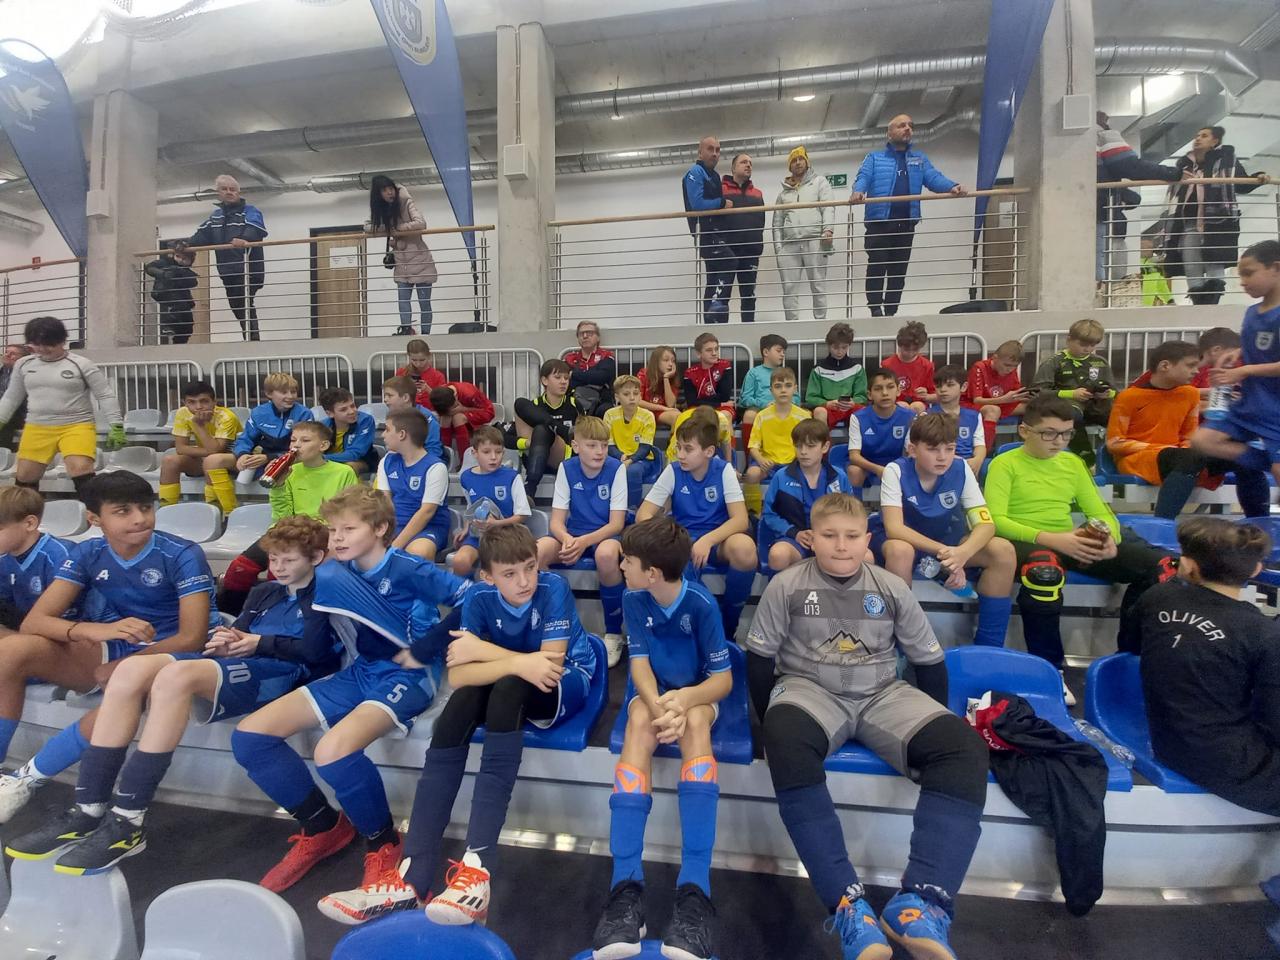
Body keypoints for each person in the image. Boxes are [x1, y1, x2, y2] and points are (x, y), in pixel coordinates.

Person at [5, 516, 341, 873]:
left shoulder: (325, 593)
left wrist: (260, 643)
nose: (278, 567)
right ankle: (89, 807)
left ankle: (129, 818)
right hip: (242, 664)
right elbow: (239, 630)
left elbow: (318, 653)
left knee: (174, 676)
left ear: (316, 558)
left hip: (285, 673)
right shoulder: (264, 592)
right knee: (130, 670)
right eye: (273, 559)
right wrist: (225, 641)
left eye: (289, 560)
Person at [747, 492, 989, 960]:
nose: (841, 545)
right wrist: (766, 723)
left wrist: (927, 729)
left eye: (852, 536)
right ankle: (847, 904)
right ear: (810, 538)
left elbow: (928, 663)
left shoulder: (891, 587)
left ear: (867, 540)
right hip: (809, 690)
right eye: (829, 536)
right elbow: (759, 660)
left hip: (882, 692)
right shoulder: (787, 585)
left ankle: (920, 903)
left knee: (962, 747)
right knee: (783, 736)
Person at [318, 525, 599, 926]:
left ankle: (478, 868)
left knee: (508, 690)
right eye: (510, 573)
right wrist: (517, 661)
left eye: (530, 568)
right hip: (512, 675)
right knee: (461, 704)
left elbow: (549, 666)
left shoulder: (553, 588)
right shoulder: (480, 597)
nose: (524, 581)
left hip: (566, 679)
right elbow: (462, 677)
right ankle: (412, 878)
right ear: (487, 576)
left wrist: (482, 651)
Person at [231, 486, 469, 895]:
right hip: (361, 671)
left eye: (348, 529)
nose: (337, 538)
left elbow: (476, 599)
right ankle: (322, 826)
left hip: (408, 677)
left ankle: (383, 842)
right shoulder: (336, 571)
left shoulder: (407, 567)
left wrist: (428, 646)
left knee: (332, 751)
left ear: (380, 528)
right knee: (250, 737)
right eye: (333, 529)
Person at [0, 471, 218, 824]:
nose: (139, 518)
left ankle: (25, 780)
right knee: (12, 651)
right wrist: (98, 630)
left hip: (181, 652)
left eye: (145, 507)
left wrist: (127, 664)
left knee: (123, 686)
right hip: (123, 644)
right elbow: (35, 622)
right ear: (94, 519)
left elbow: (192, 636)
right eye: (123, 511)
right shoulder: (88, 552)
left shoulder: (182, 553)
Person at [591, 517, 733, 960]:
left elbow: (723, 680)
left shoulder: (701, 604)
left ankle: (695, 892)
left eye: (627, 561)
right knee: (638, 723)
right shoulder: (633, 598)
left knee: (694, 725)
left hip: (698, 695)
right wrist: (658, 708)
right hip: (654, 696)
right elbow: (639, 666)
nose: (620, 565)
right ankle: (625, 889)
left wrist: (684, 701)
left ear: (652, 572)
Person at [985, 395, 1174, 701]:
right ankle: (1049, 670)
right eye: (1049, 433)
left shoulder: (1072, 463)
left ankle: (1128, 659)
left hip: (1070, 541)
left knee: (1164, 567)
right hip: (1026, 542)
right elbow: (997, 521)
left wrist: (1108, 537)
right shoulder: (1004, 464)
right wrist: (1054, 538)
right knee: (1044, 573)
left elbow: (1101, 513)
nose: (1059, 441)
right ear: (1024, 431)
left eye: (1066, 434)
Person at [1120, 517, 1280, 815]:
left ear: (1187, 565)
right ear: (1256, 570)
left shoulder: (1157, 597)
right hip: (1223, 760)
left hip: (1168, 740)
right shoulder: (1263, 632)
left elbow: (1129, 645)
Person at [871, 413, 1015, 645]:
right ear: (912, 450)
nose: (942, 457)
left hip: (945, 538)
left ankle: (990, 646)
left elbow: (986, 524)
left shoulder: (961, 467)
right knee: (900, 550)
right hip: (906, 540)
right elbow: (895, 528)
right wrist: (948, 554)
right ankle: (899, 644)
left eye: (949, 449)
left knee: (1003, 550)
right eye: (932, 449)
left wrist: (963, 553)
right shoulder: (895, 470)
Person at [1108, 340, 1269, 520]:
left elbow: (1188, 436)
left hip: (1181, 456)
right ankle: (1163, 523)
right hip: (1137, 459)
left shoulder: (1189, 394)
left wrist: (1186, 450)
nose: (1196, 371)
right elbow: (1115, 443)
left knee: (1246, 457)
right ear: (1165, 366)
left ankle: (1260, 522)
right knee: (1189, 457)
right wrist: (1162, 449)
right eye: (1190, 366)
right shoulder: (1128, 397)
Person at [219, 421, 358, 615]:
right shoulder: (287, 471)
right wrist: (279, 486)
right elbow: (281, 515)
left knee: (277, 571)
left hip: (322, 533)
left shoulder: (343, 472)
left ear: (323, 445)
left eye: (305, 440)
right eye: (293, 440)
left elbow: (346, 513)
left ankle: (276, 616)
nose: (296, 445)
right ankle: (231, 619)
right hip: (287, 530)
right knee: (239, 569)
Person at [639, 416, 757, 639]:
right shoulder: (673, 470)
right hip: (683, 541)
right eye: (678, 448)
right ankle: (698, 624)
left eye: (688, 449)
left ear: (709, 451)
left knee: (745, 548)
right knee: (674, 555)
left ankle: (728, 625)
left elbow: (741, 520)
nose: (680, 455)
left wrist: (707, 540)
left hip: (717, 541)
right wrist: (671, 537)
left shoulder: (724, 470)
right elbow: (643, 515)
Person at [853, 114, 965, 317]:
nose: (907, 129)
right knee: (877, 264)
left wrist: (952, 186)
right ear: (889, 133)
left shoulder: (919, 159)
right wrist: (858, 191)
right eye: (901, 125)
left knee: (898, 270)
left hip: (905, 224)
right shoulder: (874, 158)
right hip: (879, 223)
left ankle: (891, 311)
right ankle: (875, 309)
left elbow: (933, 177)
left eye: (910, 126)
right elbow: (863, 177)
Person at [536, 415, 627, 667]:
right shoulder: (567, 468)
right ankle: (551, 625)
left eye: (604, 445)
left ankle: (613, 632)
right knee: (538, 551)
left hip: (605, 535)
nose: (600, 451)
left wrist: (583, 542)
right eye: (592, 445)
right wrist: (567, 539)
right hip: (574, 533)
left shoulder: (616, 468)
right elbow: (556, 522)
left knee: (606, 555)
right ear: (576, 446)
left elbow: (616, 524)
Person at [0, 316, 125, 497]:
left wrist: (117, 425)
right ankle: (26, 514)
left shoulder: (81, 364)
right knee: (25, 477)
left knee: (80, 469)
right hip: (37, 426)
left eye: (48, 344)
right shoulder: (23, 364)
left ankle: (94, 511)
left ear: (62, 341)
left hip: (76, 425)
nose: (42, 349)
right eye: (36, 344)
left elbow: (105, 395)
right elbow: (11, 397)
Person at [1192, 240, 1280, 487]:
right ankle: (1268, 462)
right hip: (1250, 405)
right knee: (1202, 441)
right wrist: (1237, 352)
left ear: (1276, 268)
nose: (1242, 282)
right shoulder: (1252, 312)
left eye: (1248, 273)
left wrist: (1245, 370)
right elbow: (1264, 344)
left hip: (1276, 411)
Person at [1158, 125, 1271, 305]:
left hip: (1216, 220)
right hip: (1189, 221)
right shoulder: (1184, 164)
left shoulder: (1225, 159)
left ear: (1215, 141)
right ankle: (1199, 303)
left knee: (1214, 260)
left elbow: (1240, 184)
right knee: (1191, 262)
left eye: (1204, 136)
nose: (1198, 138)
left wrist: (1259, 177)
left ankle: (1213, 303)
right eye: (1197, 135)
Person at [1095, 111, 1180, 288]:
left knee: (1098, 280)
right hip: (1103, 219)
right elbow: (1130, 165)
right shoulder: (1102, 135)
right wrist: (1173, 173)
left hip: (1084, 215)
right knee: (1109, 282)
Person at [759, 419, 855, 573]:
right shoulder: (781, 477)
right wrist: (794, 533)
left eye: (810, 446)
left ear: (825, 447)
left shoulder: (839, 476)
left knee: (866, 556)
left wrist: (829, 536)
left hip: (833, 540)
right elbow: (769, 515)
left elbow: (852, 514)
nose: (803, 452)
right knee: (778, 555)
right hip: (794, 539)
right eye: (798, 446)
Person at [188, 174, 267, 341]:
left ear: (238, 192)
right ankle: (251, 339)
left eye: (233, 189)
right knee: (236, 304)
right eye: (225, 189)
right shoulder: (216, 216)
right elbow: (201, 236)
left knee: (242, 302)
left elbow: (255, 229)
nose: (229, 192)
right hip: (227, 270)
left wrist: (244, 239)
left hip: (248, 268)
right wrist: (183, 245)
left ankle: (253, 341)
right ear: (219, 193)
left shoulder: (250, 211)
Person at [1031, 318, 1115, 463]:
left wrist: (1106, 393)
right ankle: (1086, 458)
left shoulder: (1100, 362)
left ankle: (1117, 456)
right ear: (1069, 339)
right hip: (1066, 406)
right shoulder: (1054, 362)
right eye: (1083, 345)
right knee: (1071, 413)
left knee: (1120, 414)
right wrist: (1071, 394)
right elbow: (1037, 392)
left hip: (1096, 405)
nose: (1087, 349)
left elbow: (1114, 390)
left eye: (1092, 345)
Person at [205, 371, 312, 484]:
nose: (290, 396)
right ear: (269, 393)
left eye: (293, 392)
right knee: (212, 461)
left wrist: (269, 457)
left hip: (290, 460)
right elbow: (246, 439)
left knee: (275, 467)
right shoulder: (259, 413)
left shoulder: (304, 414)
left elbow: (304, 448)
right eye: (284, 392)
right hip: (260, 459)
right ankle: (223, 497)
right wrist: (242, 455)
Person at [453, 425, 531, 579]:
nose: (493, 457)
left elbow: (522, 515)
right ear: (474, 453)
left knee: (496, 566)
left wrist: (496, 524)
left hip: (507, 535)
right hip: (478, 535)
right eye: (486, 452)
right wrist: (466, 528)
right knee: (460, 561)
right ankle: (466, 593)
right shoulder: (466, 477)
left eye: (498, 452)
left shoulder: (512, 477)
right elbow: (471, 506)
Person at [0, 486, 79, 638]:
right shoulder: (4, 559)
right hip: (28, 630)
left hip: (67, 635)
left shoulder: (61, 556)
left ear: (30, 523)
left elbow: (67, 620)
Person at [366, 175, 437, 336]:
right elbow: (368, 226)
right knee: (403, 301)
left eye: (390, 188)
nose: (389, 192)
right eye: (384, 190)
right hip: (401, 263)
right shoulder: (382, 209)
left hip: (421, 261)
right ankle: (406, 330)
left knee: (424, 303)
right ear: (378, 194)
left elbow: (421, 223)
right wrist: (387, 228)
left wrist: (398, 228)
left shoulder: (406, 201)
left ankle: (426, 335)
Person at [158, 380, 242, 513]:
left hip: (234, 460)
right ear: (185, 403)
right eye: (191, 402)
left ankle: (224, 513)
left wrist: (199, 425)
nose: (198, 407)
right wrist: (208, 452)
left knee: (211, 461)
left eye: (204, 401)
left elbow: (217, 450)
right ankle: (166, 511)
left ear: (214, 402)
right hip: (208, 457)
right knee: (170, 460)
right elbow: (180, 448)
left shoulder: (227, 417)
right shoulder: (183, 413)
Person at [376, 410, 450, 561]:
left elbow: (426, 513)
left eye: (387, 429)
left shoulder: (436, 467)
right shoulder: (386, 461)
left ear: (402, 434)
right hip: (394, 525)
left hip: (428, 528)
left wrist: (395, 545)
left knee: (417, 553)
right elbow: (384, 502)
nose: (383, 435)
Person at [773, 146, 835, 323]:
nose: (798, 162)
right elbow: (777, 223)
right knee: (789, 289)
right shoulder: (783, 193)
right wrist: (779, 248)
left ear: (807, 162)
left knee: (818, 285)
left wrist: (828, 230)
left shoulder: (820, 182)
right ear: (789, 166)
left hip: (815, 240)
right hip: (789, 245)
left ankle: (820, 324)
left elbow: (828, 207)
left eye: (801, 159)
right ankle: (792, 327)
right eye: (794, 160)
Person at [744, 367, 811, 516]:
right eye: (778, 386)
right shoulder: (762, 416)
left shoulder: (804, 417)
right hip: (768, 464)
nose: (783, 390)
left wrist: (798, 461)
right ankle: (753, 513)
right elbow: (753, 446)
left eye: (788, 385)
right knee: (752, 474)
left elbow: (808, 446)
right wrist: (761, 460)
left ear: (795, 389)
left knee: (810, 472)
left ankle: (804, 512)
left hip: (794, 463)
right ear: (771, 390)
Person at [683, 135, 736, 322]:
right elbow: (697, 204)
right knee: (730, 261)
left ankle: (711, 317)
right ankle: (716, 304)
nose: (715, 153)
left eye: (718, 150)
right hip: (705, 233)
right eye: (710, 149)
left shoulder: (714, 175)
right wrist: (722, 203)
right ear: (700, 153)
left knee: (713, 276)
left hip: (716, 232)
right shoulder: (695, 172)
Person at [511, 358, 581, 496]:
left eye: (566, 378)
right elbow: (507, 438)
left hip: (562, 459)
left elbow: (585, 434)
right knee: (520, 403)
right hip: (534, 457)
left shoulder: (574, 404)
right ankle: (556, 427)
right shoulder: (534, 406)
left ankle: (530, 489)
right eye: (558, 377)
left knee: (543, 429)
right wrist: (527, 443)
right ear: (544, 380)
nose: (563, 382)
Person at [846, 368, 915, 488]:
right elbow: (854, 456)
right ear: (869, 394)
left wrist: (893, 469)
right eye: (878, 389)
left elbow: (911, 452)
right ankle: (854, 501)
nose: (885, 393)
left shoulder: (909, 416)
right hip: (867, 466)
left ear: (898, 391)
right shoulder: (858, 417)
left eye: (890, 387)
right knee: (854, 471)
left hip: (897, 465)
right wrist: (878, 469)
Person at [718, 153, 766, 323]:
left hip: (750, 252)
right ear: (733, 168)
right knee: (722, 295)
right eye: (743, 162)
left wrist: (756, 245)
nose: (748, 165)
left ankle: (748, 330)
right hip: (727, 252)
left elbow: (760, 221)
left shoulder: (757, 194)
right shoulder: (721, 190)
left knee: (749, 296)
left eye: (750, 163)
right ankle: (720, 332)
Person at [603, 374, 661, 512]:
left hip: (643, 459)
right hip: (617, 457)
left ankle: (631, 509)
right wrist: (621, 456)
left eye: (636, 393)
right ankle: (606, 508)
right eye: (626, 394)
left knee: (633, 470)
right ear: (617, 397)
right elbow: (609, 445)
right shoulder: (609, 415)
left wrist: (630, 460)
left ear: (640, 395)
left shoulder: (648, 416)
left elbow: (645, 448)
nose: (632, 397)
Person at [963, 340, 1029, 451]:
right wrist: (1004, 399)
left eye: (1015, 366)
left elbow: (1014, 393)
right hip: (973, 405)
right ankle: (983, 451)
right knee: (993, 410)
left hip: (1001, 403)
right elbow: (977, 400)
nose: (1010, 369)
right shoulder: (980, 368)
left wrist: (1025, 396)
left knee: (1033, 406)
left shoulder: (1011, 371)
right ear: (995, 357)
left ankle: (1027, 448)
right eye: (1006, 365)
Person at [806, 322, 867, 431]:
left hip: (850, 407)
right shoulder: (818, 369)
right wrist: (826, 403)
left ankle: (860, 442)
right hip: (828, 408)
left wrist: (853, 402)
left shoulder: (857, 368)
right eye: (835, 347)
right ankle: (824, 442)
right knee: (819, 411)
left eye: (844, 347)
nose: (840, 352)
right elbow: (811, 397)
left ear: (849, 345)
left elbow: (862, 396)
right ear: (828, 345)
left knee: (863, 411)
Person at [929, 365, 986, 476]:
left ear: (963, 387)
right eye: (938, 386)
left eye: (950, 385)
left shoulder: (974, 416)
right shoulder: (926, 416)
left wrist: (977, 460)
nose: (943, 390)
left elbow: (979, 444)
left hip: (968, 464)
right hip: (939, 464)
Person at [739, 333, 788, 455]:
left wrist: (783, 404)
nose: (783, 354)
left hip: (784, 408)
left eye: (784, 351)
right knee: (749, 415)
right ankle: (750, 457)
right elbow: (745, 398)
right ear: (766, 352)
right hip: (760, 409)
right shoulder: (753, 373)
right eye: (779, 351)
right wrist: (764, 404)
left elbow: (796, 397)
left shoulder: (786, 373)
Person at [144, 240, 198, 345]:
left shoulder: (186, 271)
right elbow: (149, 267)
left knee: (188, 321)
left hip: (181, 298)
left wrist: (180, 274)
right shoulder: (166, 262)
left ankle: (180, 342)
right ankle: (168, 326)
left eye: (185, 259)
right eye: (178, 256)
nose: (180, 260)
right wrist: (163, 274)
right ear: (173, 255)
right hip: (164, 291)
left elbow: (193, 282)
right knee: (178, 309)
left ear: (190, 261)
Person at [318, 387, 378, 478]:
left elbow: (355, 453)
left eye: (353, 406)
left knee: (348, 467)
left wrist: (322, 458)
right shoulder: (322, 426)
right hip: (329, 461)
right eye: (343, 409)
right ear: (330, 413)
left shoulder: (365, 420)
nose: (351, 411)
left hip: (361, 461)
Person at [427, 381, 495, 461]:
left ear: (455, 397)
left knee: (457, 418)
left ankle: (464, 460)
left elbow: (489, 412)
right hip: (458, 418)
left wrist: (464, 409)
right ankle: (445, 459)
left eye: (453, 407)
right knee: (445, 418)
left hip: (481, 415)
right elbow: (441, 412)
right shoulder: (441, 395)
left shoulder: (469, 393)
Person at [381, 376, 444, 460]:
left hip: (425, 463)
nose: (385, 399)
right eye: (385, 396)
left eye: (389, 395)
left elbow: (434, 451)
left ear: (405, 398)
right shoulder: (392, 417)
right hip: (401, 462)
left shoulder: (425, 417)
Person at [565, 321, 617, 416]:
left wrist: (574, 374)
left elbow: (602, 377)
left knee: (605, 410)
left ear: (598, 337)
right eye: (581, 334)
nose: (585, 336)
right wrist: (592, 377)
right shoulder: (570, 358)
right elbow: (567, 382)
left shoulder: (606, 356)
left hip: (601, 401)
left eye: (589, 333)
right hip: (575, 399)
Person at [882, 320, 936, 414]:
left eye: (915, 349)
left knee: (917, 406)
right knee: (902, 407)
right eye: (907, 349)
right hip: (895, 402)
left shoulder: (927, 365)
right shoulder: (887, 365)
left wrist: (926, 395)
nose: (910, 353)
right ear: (900, 345)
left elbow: (935, 395)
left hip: (919, 404)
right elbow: (883, 390)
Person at [683, 331, 734, 418]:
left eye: (716, 349)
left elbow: (724, 397)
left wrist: (700, 400)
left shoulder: (724, 366)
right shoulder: (690, 373)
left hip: (721, 408)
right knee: (685, 417)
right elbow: (691, 402)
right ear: (699, 354)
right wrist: (719, 403)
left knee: (724, 416)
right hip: (698, 408)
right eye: (709, 350)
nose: (714, 353)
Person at [666, 405, 735, 465]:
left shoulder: (723, 424)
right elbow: (672, 456)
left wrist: (730, 466)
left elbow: (726, 444)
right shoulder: (683, 427)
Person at [637, 345, 681, 428]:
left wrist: (666, 378)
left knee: (678, 417)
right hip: (643, 411)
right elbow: (638, 401)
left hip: (661, 413)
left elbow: (670, 404)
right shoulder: (643, 374)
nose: (670, 364)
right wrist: (663, 408)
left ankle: (674, 437)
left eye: (673, 361)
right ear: (656, 362)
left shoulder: (672, 378)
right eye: (666, 360)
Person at [1192, 327, 1241, 399]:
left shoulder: (1233, 367)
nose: (1233, 361)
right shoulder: (1193, 370)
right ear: (1215, 350)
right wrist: (1215, 392)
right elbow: (1181, 393)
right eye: (1229, 357)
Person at [0, 343, 29, 451]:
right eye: (6, 352)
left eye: (13, 354)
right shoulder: (2, 372)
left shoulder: (26, 374)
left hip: (21, 413)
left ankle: (3, 450)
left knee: (6, 415)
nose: (7, 355)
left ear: (23, 359)